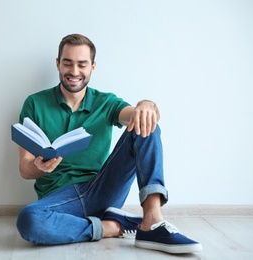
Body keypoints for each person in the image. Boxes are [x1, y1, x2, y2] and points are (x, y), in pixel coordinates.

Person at [14, 33, 202, 254]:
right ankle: (111, 226)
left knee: (145, 124)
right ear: (58, 64)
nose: (74, 72)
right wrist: (39, 166)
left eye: (82, 64)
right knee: (29, 220)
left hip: (101, 189)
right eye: (68, 63)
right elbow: (25, 170)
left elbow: (133, 115)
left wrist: (146, 106)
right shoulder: (34, 104)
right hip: (60, 201)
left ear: (92, 67)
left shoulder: (105, 102)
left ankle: (152, 221)